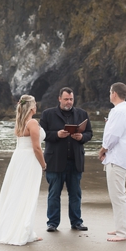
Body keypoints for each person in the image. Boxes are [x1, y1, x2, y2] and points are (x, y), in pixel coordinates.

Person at [0, 95, 47, 245]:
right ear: (32, 107)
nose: (37, 106)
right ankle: (22, 231)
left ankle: (14, 228)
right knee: (27, 194)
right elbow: (36, 148)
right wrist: (43, 164)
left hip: (19, 158)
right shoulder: (32, 122)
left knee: (17, 193)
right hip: (29, 160)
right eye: (35, 103)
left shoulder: (20, 122)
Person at [40, 87, 93, 232]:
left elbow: (89, 133)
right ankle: (52, 223)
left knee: (75, 194)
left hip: (75, 161)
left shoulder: (82, 114)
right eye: (66, 99)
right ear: (59, 99)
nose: (69, 102)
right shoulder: (48, 114)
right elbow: (42, 135)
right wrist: (57, 134)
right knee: (54, 194)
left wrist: (82, 137)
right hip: (55, 161)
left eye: (71, 99)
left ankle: (76, 222)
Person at [98, 82, 126, 242]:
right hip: (119, 157)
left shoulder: (119, 111)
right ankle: (121, 226)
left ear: (114, 93)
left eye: (110, 92)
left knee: (118, 195)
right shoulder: (123, 111)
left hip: (117, 158)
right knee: (118, 194)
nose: (109, 95)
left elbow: (113, 136)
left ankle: (123, 231)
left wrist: (103, 149)